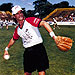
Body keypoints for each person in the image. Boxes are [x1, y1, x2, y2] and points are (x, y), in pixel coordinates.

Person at [3, 5, 57, 75]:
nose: (20, 14)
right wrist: (6, 49)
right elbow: (13, 39)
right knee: (27, 73)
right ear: (14, 16)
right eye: (17, 13)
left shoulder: (29, 20)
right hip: (28, 51)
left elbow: (44, 23)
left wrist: (53, 36)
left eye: (21, 12)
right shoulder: (18, 29)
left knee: (41, 71)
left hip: (38, 49)